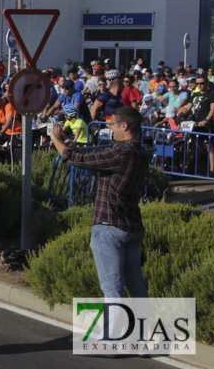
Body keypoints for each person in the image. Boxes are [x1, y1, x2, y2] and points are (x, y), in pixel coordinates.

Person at [51, 107, 148, 299]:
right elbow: (96, 159)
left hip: (109, 225)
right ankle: (141, 327)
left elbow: (78, 159)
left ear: (124, 126)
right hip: (131, 225)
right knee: (136, 285)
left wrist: (56, 139)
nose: (111, 129)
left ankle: (114, 329)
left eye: (112, 125)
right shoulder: (141, 152)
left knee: (112, 289)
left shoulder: (121, 152)